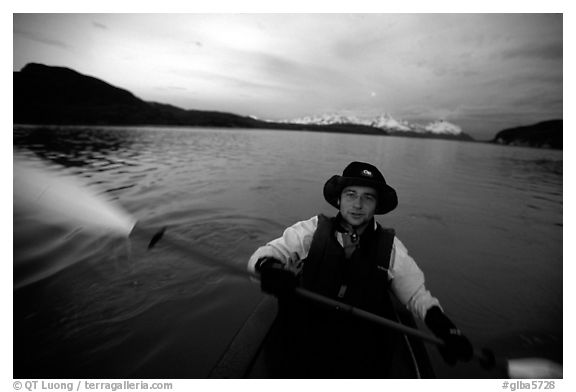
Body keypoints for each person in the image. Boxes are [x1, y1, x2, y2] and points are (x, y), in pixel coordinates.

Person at [247, 161, 473, 378]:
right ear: (339, 200)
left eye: (368, 197)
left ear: (377, 205)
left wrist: (444, 328)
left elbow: (415, 295)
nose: (357, 205)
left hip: (358, 347)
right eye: (351, 195)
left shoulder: (390, 247)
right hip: (303, 336)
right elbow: (261, 257)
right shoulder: (310, 231)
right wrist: (271, 270)